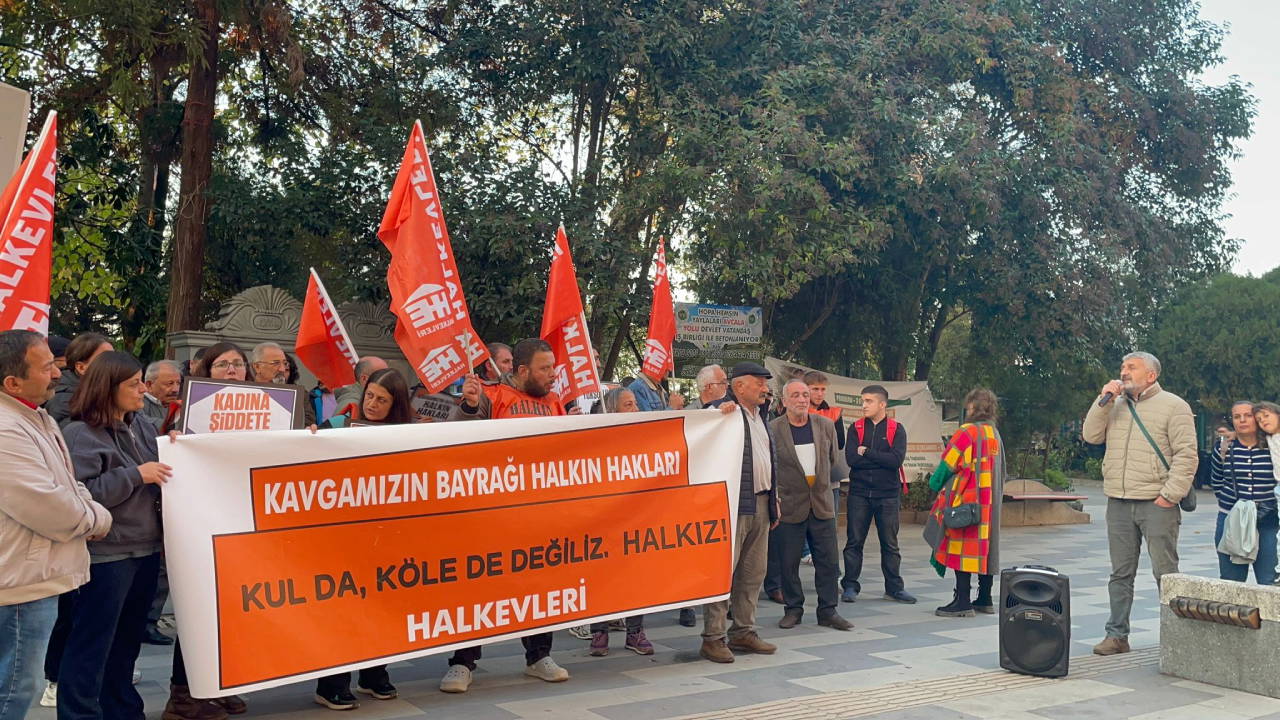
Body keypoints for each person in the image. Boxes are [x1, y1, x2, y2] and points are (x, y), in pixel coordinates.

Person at [440, 339, 572, 693]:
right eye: (545, 368)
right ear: (523, 370)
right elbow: (455, 439)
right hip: (492, 515)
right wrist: (469, 408)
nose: (552, 375)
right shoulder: (491, 396)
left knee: (542, 584)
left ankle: (538, 655)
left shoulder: (556, 403)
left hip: (539, 515)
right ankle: (463, 662)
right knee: (478, 586)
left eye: (553, 367)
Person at [0, 330, 111, 720]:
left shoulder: (33, 416)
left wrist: (86, 507)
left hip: (29, 577)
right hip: (18, 586)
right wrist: (98, 518)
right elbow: (46, 504)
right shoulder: (6, 428)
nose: (57, 373)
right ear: (12, 382)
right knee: (13, 691)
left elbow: (67, 483)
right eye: (46, 366)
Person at [57, 351, 171, 720]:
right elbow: (83, 493)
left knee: (125, 645)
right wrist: (137, 475)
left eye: (142, 381)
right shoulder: (79, 434)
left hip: (145, 548)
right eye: (134, 384)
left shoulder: (143, 427)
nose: (143, 390)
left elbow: (162, 472)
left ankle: (123, 710)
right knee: (92, 644)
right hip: (107, 554)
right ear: (108, 389)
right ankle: (80, 713)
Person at [307, 369, 411, 710]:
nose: (373, 404)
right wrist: (309, 438)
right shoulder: (336, 426)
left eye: (382, 400)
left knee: (382, 608)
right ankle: (332, 683)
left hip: (387, 536)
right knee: (344, 610)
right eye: (369, 396)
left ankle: (373, 674)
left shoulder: (408, 436)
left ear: (396, 406)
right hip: (343, 537)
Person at [1082, 351, 1195, 656]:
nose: (1124, 371)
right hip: (1118, 501)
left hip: (1156, 502)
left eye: (1132, 367)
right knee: (1120, 573)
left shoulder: (1174, 406)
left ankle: (1177, 638)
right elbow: (1091, 436)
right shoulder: (1114, 405)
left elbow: (1186, 455)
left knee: (1165, 572)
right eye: (1122, 367)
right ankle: (1116, 635)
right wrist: (1102, 399)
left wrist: (1169, 495)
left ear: (1151, 375)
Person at [166, 340, 249, 718]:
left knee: (238, 612)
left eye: (237, 364)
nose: (232, 371)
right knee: (199, 610)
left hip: (247, 525)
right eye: (222, 365)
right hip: (202, 525)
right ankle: (183, 694)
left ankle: (223, 684)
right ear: (206, 372)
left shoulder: (278, 412)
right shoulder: (183, 414)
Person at [701, 362, 779, 663]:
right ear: (739, 386)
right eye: (759, 382)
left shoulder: (762, 416)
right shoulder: (724, 413)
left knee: (753, 572)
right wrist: (718, 410)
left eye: (765, 383)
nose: (765, 387)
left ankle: (743, 631)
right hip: (732, 505)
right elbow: (702, 434)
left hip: (761, 502)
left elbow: (769, 460)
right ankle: (713, 637)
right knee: (724, 571)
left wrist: (776, 499)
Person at [769, 380, 852, 631]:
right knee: (789, 562)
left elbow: (832, 459)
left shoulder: (825, 425)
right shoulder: (773, 429)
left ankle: (828, 610)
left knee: (828, 561)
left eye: (805, 395)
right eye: (796, 395)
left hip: (822, 504)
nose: (803, 399)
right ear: (784, 402)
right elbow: (771, 467)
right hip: (790, 505)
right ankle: (793, 609)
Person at [584, 387, 656, 656]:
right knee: (601, 574)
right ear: (612, 411)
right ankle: (599, 631)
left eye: (635, 404)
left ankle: (635, 632)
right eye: (628, 405)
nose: (635, 409)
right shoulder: (596, 443)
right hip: (603, 520)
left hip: (636, 518)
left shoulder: (646, 439)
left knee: (636, 575)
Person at [926, 388, 1005, 617]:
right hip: (990, 505)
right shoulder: (994, 434)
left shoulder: (966, 432)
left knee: (962, 548)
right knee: (986, 548)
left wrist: (933, 485)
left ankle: (962, 601)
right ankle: (984, 598)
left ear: (972, 407)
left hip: (966, 502)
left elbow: (947, 465)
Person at [841, 384, 916, 604]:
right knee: (854, 542)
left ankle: (894, 588)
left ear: (882, 404)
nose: (863, 405)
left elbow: (895, 461)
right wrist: (878, 458)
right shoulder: (855, 428)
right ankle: (850, 586)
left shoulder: (896, 429)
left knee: (890, 544)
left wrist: (868, 452)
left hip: (888, 495)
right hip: (859, 493)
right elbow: (852, 460)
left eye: (869, 401)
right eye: (862, 401)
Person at [1208, 401, 1276, 585]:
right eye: (1237, 417)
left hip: (1268, 520)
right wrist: (1231, 504)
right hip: (1232, 519)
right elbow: (1217, 481)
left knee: (1270, 581)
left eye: (1248, 415)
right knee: (1231, 582)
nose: (1242, 420)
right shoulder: (1224, 448)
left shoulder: (1273, 447)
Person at [46, 332, 113, 426]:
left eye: (114, 358)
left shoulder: (113, 391)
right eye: (106, 360)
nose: (115, 364)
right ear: (81, 367)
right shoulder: (63, 403)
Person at [141, 360, 182, 429]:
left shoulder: (176, 405)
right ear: (149, 385)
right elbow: (142, 423)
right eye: (170, 383)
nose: (176, 389)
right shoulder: (137, 403)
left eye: (178, 383)